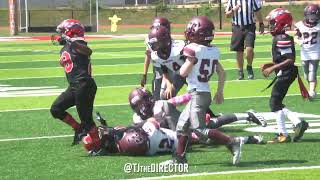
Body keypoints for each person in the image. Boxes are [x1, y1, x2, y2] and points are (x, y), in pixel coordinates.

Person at [161, 16, 244, 166]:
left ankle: (232, 141)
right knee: (182, 127)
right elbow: (222, 72)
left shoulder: (193, 49)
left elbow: (183, 73)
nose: (188, 32)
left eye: (192, 30)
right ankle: (179, 159)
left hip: (198, 94)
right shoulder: (213, 50)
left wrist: (187, 62)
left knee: (199, 130)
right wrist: (220, 91)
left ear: (198, 34)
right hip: (202, 93)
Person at [50, 19, 101, 153]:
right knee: (56, 109)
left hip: (84, 84)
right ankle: (79, 129)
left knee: (87, 120)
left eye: (63, 32)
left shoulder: (78, 43)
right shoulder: (67, 46)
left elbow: (88, 51)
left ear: (71, 32)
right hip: (74, 86)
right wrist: (66, 42)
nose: (60, 35)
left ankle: (98, 145)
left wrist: (69, 41)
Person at [261, 8, 309, 144]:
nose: (270, 26)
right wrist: (271, 64)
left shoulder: (282, 38)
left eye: (272, 23)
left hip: (286, 73)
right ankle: (296, 123)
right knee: (276, 102)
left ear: (281, 23)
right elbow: (283, 58)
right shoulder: (280, 37)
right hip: (286, 72)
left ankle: (284, 133)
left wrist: (273, 68)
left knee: (274, 102)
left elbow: (289, 59)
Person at [225, 0, 265, 80]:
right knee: (239, 51)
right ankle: (240, 72)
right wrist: (234, 10)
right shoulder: (232, 1)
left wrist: (261, 23)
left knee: (249, 49)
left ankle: (249, 67)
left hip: (249, 26)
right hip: (237, 27)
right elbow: (227, 15)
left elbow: (257, 11)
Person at [147, 26, 187, 100]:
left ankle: (206, 111)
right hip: (179, 76)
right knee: (165, 97)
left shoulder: (179, 47)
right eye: (153, 44)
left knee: (197, 97)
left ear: (164, 41)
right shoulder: (156, 56)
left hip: (192, 75)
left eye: (156, 44)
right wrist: (169, 85)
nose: (153, 46)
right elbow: (164, 70)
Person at [141, 17, 171, 100]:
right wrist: (144, 74)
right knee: (157, 95)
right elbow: (148, 54)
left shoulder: (172, 42)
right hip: (158, 69)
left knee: (166, 95)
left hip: (171, 68)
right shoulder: (150, 38)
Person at [294, 4, 320, 99]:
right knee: (306, 74)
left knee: (312, 71)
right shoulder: (301, 25)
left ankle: (312, 91)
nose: (312, 18)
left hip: (316, 51)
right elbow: (296, 37)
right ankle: (312, 88)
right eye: (310, 15)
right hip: (305, 51)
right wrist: (298, 41)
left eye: (314, 15)